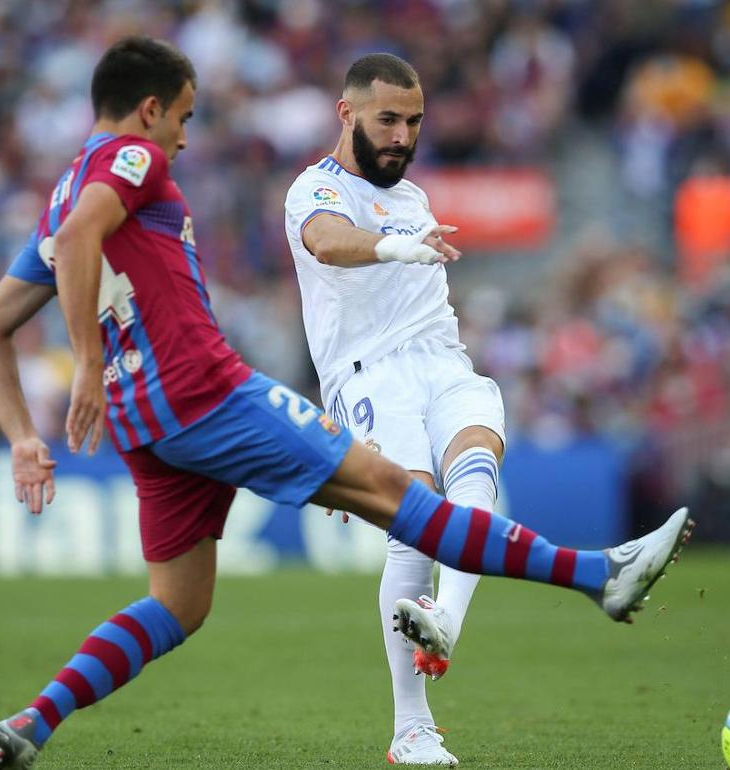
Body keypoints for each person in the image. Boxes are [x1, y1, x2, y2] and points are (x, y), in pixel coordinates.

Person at [0, 37, 693, 770]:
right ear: (149, 110)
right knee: (402, 497)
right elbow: (90, 231)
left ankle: (35, 720)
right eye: (182, 117)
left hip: (144, 425)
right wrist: (85, 364)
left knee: (179, 604)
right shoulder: (134, 158)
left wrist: (23, 434)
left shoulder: (58, 195)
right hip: (205, 391)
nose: (184, 137)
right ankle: (600, 575)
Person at [282, 53, 499, 766]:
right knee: (417, 515)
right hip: (367, 374)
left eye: (413, 121)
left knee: (479, 451)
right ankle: (412, 729)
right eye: (388, 120)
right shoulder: (314, 190)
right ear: (346, 115)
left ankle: (447, 619)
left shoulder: (413, 199)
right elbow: (327, 242)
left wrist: (407, 236)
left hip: (443, 360)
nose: (403, 135)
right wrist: (394, 247)